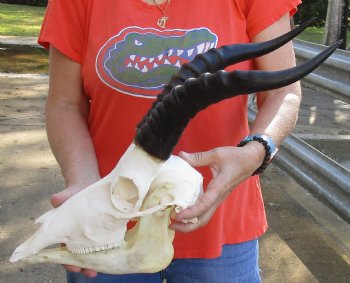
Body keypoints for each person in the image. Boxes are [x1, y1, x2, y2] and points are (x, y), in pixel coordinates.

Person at [38, 0, 302, 282]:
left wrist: (256, 150)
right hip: (106, 222)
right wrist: (83, 184)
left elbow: (282, 93)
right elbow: (66, 104)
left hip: (221, 223)